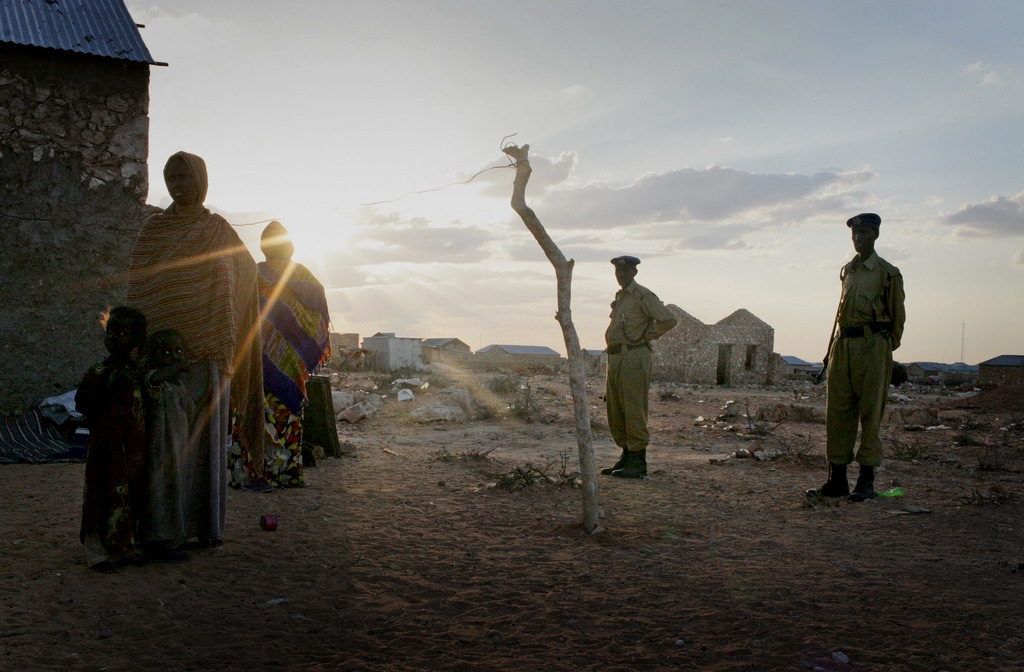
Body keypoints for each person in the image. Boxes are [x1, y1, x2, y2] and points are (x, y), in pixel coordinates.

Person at [126, 151, 263, 548]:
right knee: (164, 446)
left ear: (201, 180)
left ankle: (205, 528)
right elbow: (141, 288)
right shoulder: (152, 231)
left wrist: (225, 318)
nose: (176, 183)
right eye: (170, 177)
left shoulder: (219, 231)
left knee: (205, 448)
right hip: (161, 362)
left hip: (209, 356)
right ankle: (163, 532)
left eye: (184, 176)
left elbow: (247, 272)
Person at [808, 213, 906, 501]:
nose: (858, 239)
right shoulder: (848, 271)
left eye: (864, 234)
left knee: (870, 413)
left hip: (872, 347)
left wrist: (882, 349)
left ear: (875, 235)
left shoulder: (887, 272)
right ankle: (836, 479)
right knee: (837, 413)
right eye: (855, 235)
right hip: (843, 346)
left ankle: (866, 482)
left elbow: (898, 319)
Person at [245, 220, 331, 488]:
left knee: (288, 416)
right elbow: (240, 309)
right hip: (254, 360)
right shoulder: (253, 274)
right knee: (256, 417)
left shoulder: (303, 276)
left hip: (291, 362)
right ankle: (253, 475)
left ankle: (287, 474)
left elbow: (316, 309)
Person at [76, 306, 148, 573]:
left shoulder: (134, 372)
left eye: (121, 333)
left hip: (131, 450)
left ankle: (121, 546)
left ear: (137, 341)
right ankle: (96, 552)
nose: (112, 338)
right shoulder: (99, 372)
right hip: (105, 448)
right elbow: (82, 403)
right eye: (110, 331)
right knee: (99, 495)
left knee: (127, 498)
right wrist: (109, 387)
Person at [601, 255, 678, 479]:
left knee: (633, 408)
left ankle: (638, 462)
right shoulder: (621, 297)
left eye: (625, 272)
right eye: (618, 273)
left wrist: (645, 336)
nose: (621, 276)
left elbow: (668, 319)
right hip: (616, 358)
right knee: (616, 410)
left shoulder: (642, 295)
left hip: (634, 356)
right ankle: (626, 456)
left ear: (634, 273)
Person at [138, 328, 192, 561]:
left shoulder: (178, 383)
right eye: (167, 351)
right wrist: (177, 367)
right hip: (158, 447)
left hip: (176, 446)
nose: (174, 355)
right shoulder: (152, 378)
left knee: (174, 490)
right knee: (157, 493)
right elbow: (155, 379)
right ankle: (155, 541)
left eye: (178, 351)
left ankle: (170, 539)